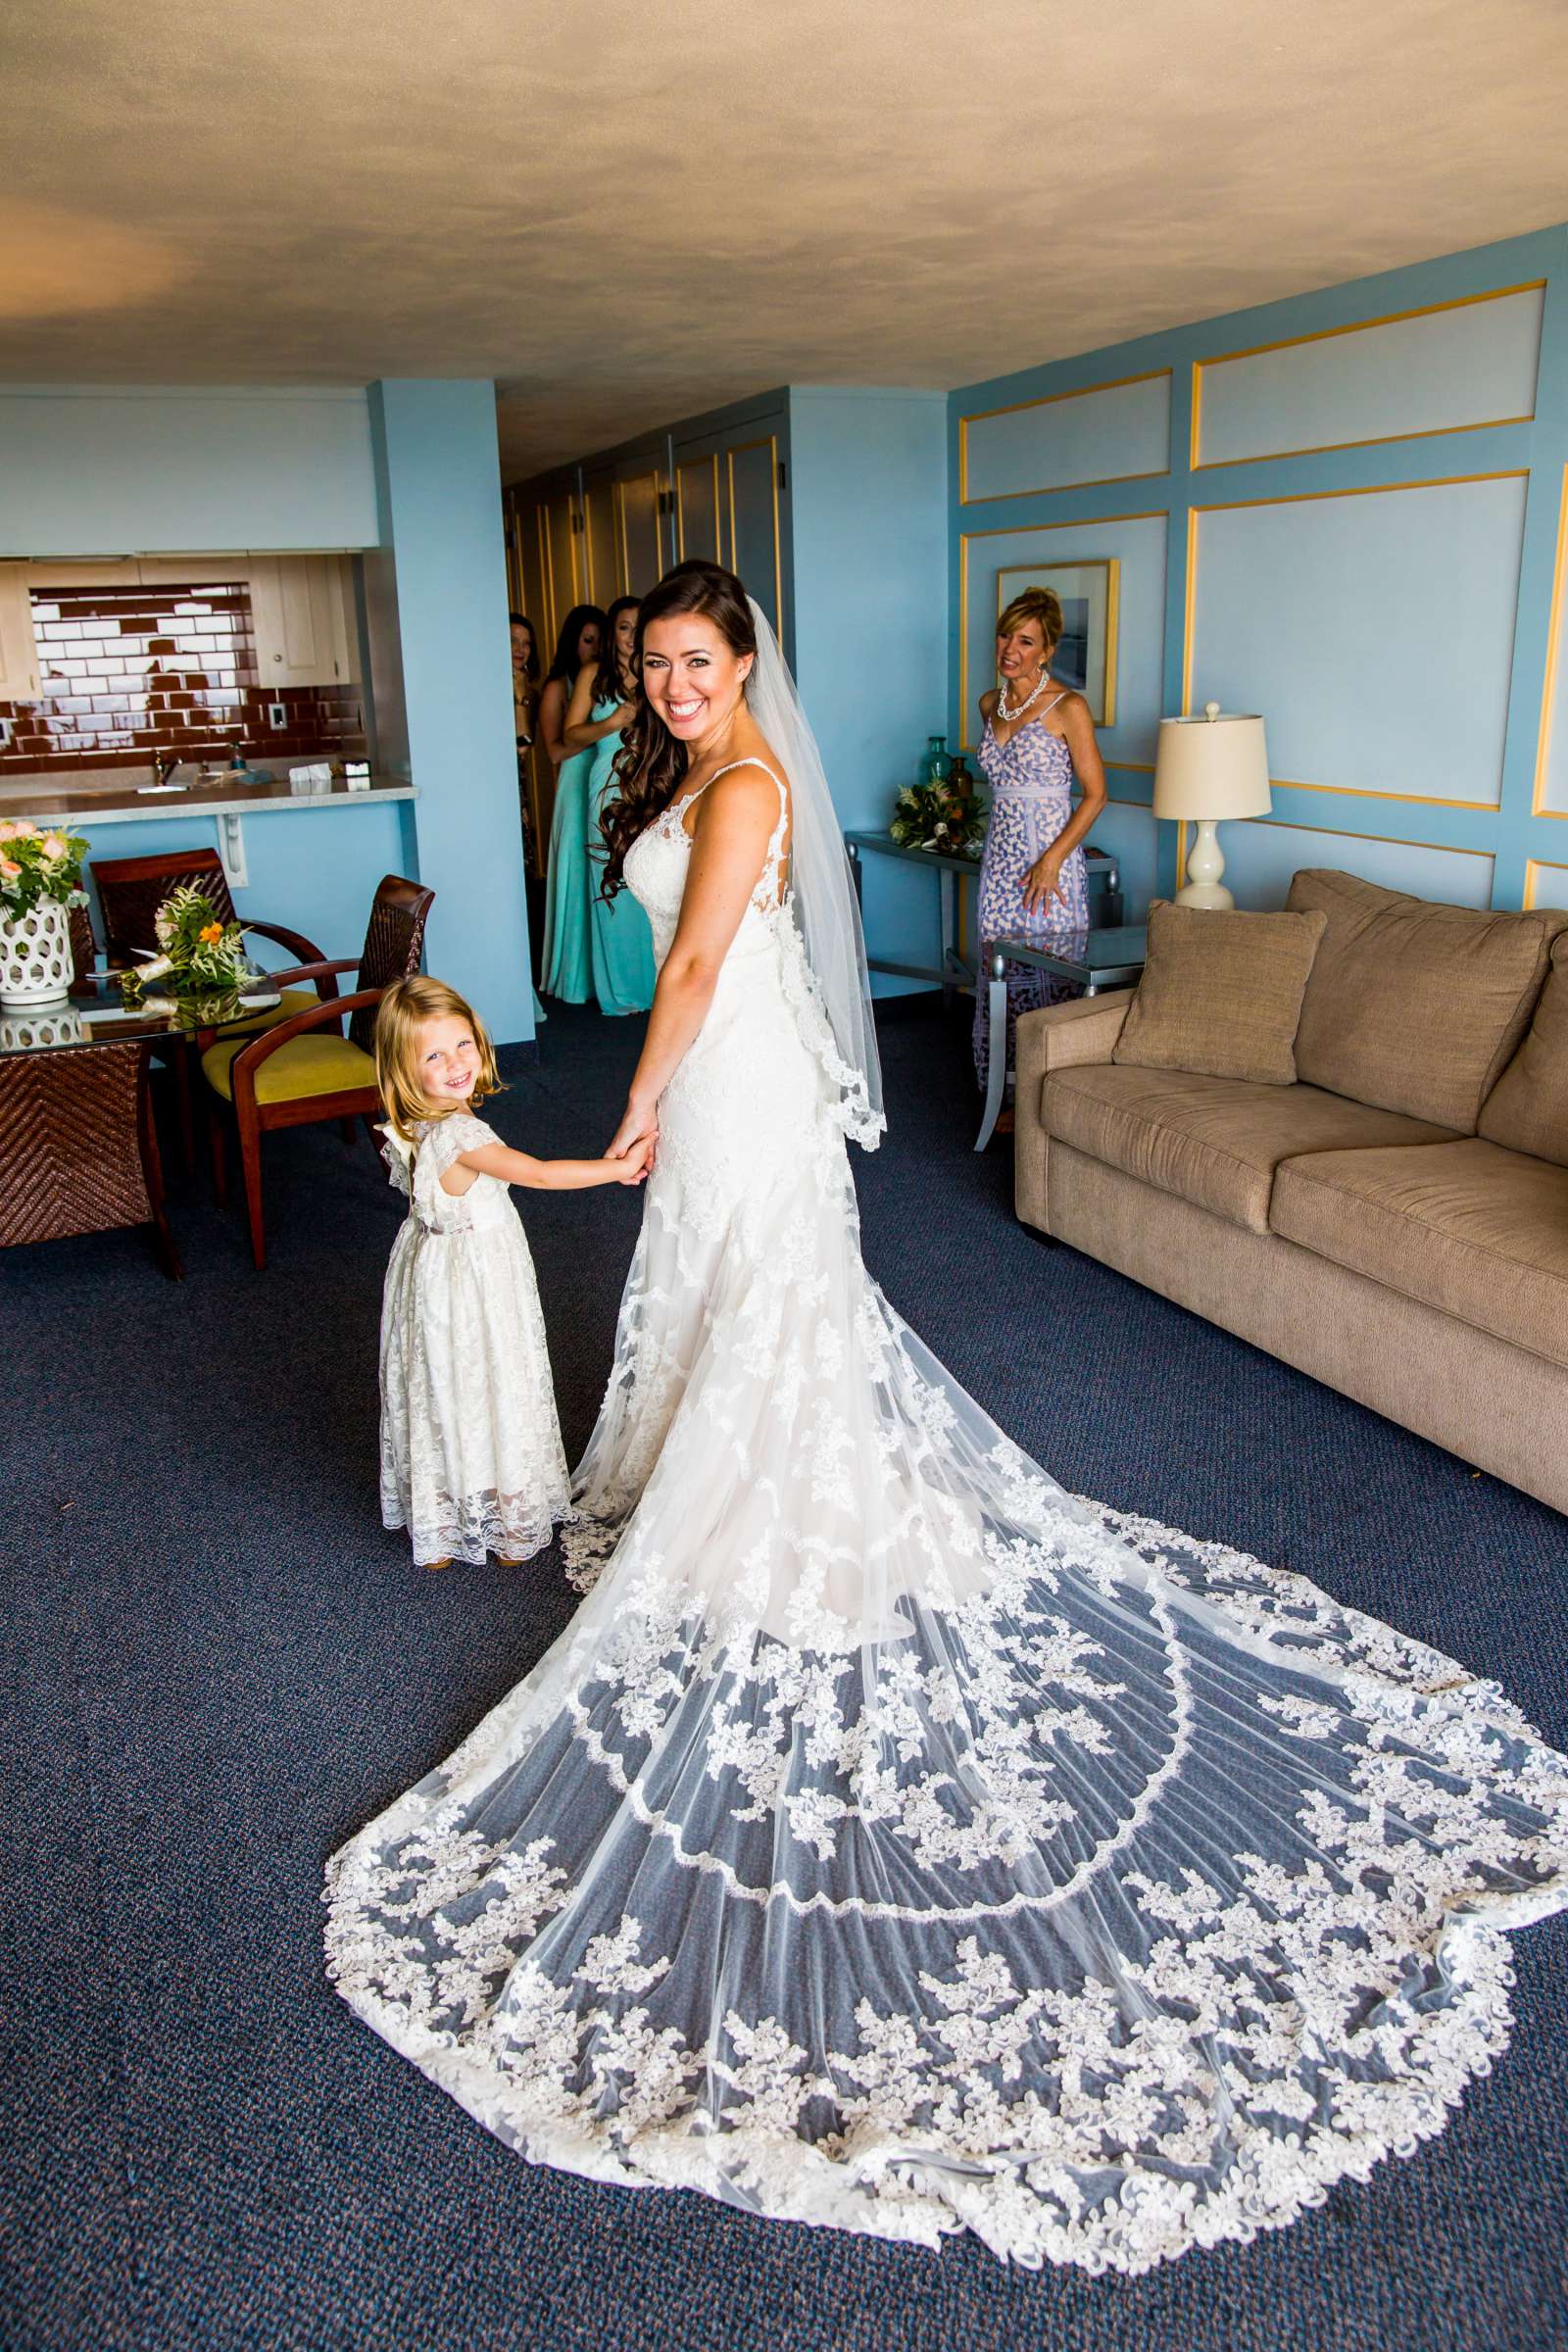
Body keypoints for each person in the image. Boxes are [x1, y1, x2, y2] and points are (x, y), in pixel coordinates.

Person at [327, 564, 1568, 2275]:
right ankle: (713, 1477)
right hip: (731, 1084)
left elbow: (694, 965)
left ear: (748, 660)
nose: (675, 685)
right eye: (656, 665)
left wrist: (633, 1108)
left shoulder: (749, 782)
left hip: (734, 1087)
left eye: (698, 660)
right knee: (719, 1303)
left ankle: (780, 1518)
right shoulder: (686, 769)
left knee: (778, 1310)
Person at [373, 974, 649, 1572]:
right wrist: (617, 1169)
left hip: (431, 1267)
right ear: (403, 1067)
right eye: (434, 1055)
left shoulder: (412, 1123)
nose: (455, 1064)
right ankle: (507, 1522)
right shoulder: (462, 1135)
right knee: (492, 1379)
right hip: (475, 1279)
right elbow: (542, 1173)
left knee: (444, 1385)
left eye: (463, 1045)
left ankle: (443, 1525)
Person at [972, 587, 1106, 1127]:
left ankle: (1050, 1099)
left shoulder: (1069, 707)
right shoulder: (990, 703)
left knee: (1049, 977)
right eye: (1006, 635)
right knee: (995, 975)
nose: (1010, 648)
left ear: (1046, 650)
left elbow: (1096, 794)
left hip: (1047, 861)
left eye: (1025, 640)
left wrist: (1052, 860)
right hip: (999, 860)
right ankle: (1001, 1099)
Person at [563, 594, 658, 1015]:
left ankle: (657, 988)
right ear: (611, 633)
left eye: (639, 627)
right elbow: (569, 737)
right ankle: (619, 992)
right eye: (623, 627)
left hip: (651, 783)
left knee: (650, 884)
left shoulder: (657, 667)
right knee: (611, 881)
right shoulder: (592, 674)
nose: (632, 636)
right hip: (606, 785)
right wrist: (612, 723)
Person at [537, 605, 606, 1002]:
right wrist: (603, 729)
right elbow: (554, 750)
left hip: (599, 782)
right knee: (574, 873)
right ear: (572, 642)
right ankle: (574, 974)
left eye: (600, 639)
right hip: (574, 782)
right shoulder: (557, 686)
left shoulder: (603, 682)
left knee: (596, 874)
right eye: (587, 640)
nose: (594, 647)